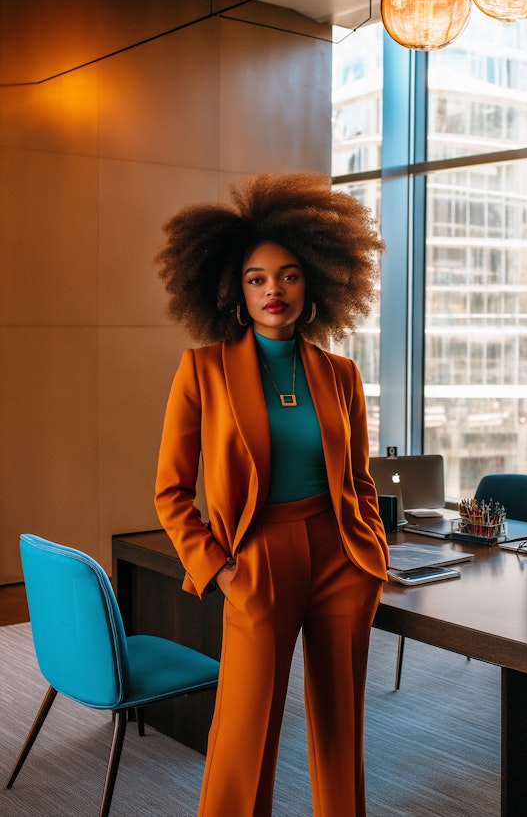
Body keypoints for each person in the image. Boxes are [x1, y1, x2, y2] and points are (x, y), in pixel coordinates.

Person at [154, 172, 389, 817]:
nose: (273, 291)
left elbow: (360, 478)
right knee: (244, 728)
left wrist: (373, 552)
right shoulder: (202, 370)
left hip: (342, 558)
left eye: (286, 275)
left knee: (341, 728)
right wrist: (220, 570)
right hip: (256, 560)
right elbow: (172, 492)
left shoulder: (340, 374)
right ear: (234, 289)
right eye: (256, 279)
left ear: (313, 280)